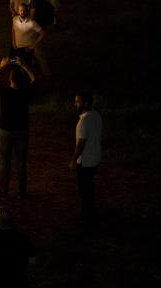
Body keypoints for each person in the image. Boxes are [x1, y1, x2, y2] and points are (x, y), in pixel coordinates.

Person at [0, 57, 35, 198]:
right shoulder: (25, 92)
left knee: (4, 162)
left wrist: (1, 66)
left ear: (10, 79)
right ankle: (22, 192)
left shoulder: (4, 91)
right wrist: (24, 64)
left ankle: (3, 191)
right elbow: (34, 79)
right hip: (22, 130)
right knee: (21, 162)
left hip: (5, 130)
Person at [68, 90, 102, 227]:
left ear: (85, 103)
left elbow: (81, 143)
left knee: (84, 191)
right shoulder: (96, 115)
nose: (75, 104)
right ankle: (91, 215)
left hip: (86, 161)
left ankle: (88, 219)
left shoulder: (84, 120)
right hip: (95, 158)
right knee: (89, 189)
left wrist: (73, 160)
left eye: (78, 101)